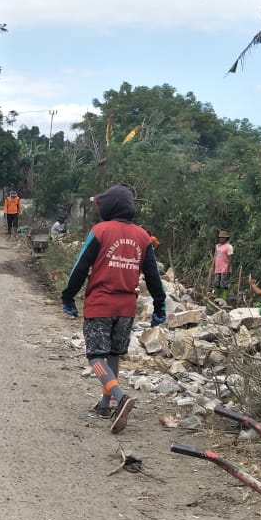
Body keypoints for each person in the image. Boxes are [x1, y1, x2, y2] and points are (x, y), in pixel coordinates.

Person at [60, 184, 166, 434]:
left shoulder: (100, 231)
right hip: (127, 307)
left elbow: (80, 267)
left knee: (96, 356)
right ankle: (105, 406)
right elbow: (153, 275)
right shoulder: (142, 236)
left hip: (100, 304)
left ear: (108, 207)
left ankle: (120, 397)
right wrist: (160, 305)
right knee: (114, 354)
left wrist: (68, 297)